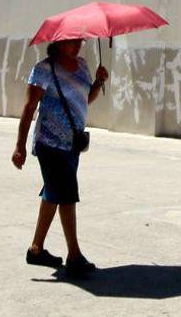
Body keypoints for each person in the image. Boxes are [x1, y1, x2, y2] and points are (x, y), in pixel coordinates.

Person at [12, 38, 109, 279]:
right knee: (66, 195)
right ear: (58, 43)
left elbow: (85, 99)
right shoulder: (44, 69)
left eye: (80, 41)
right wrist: (20, 146)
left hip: (72, 144)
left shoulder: (83, 65)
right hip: (49, 142)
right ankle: (74, 255)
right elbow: (29, 107)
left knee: (54, 193)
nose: (77, 45)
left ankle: (36, 249)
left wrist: (98, 81)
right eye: (72, 42)